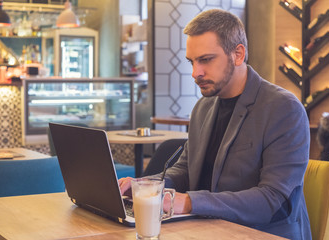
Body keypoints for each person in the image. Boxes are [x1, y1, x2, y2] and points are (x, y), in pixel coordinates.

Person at [119, 9, 312, 240]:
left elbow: (271, 199)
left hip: (262, 234)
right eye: (192, 62)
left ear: (238, 54)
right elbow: (185, 170)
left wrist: (189, 202)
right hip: (207, 230)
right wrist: (145, 187)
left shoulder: (283, 108)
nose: (195, 73)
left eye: (206, 60)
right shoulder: (203, 108)